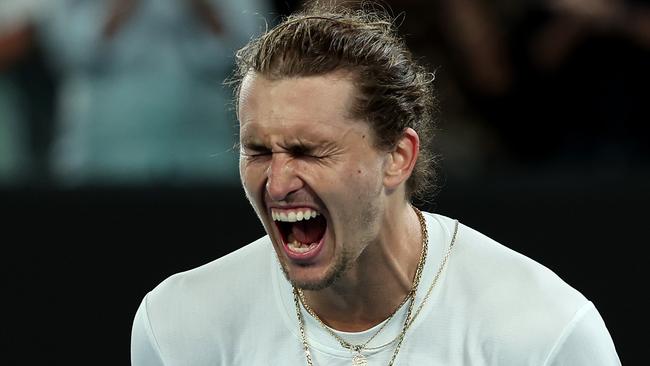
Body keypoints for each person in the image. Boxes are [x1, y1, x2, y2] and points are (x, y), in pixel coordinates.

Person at [131, 3, 621, 365]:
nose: (277, 183)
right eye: (258, 151)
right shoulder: (177, 327)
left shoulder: (546, 333)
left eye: (308, 151)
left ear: (398, 157)